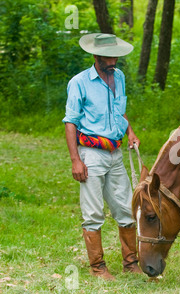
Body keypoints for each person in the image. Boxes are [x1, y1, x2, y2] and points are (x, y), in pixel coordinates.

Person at [63, 33, 142, 280]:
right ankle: (98, 268)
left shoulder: (119, 77)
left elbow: (120, 112)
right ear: (96, 55)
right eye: (109, 57)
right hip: (91, 153)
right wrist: (76, 160)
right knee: (93, 212)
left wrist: (130, 131)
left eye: (116, 56)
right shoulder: (79, 82)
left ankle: (130, 263)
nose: (114, 61)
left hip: (115, 153)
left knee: (126, 208)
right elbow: (70, 122)